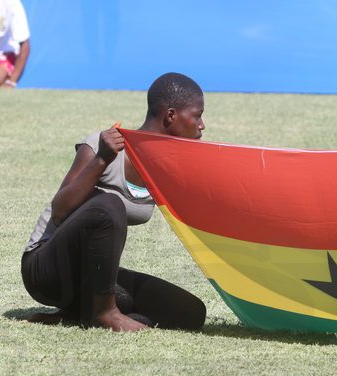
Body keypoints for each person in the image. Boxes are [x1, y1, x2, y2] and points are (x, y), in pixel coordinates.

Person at [21, 72, 207, 332]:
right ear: (171, 116)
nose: (202, 125)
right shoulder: (102, 146)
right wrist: (102, 159)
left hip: (90, 276)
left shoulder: (167, 168)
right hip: (46, 270)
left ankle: (79, 315)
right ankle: (104, 313)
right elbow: (60, 212)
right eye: (197, 115)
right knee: (109, 204)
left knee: (188, 313)